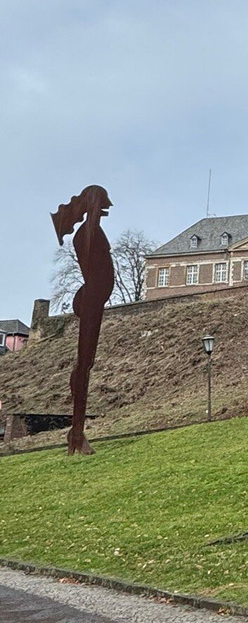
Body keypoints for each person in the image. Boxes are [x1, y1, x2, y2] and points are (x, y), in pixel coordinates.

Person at [51, 185, 114, 455]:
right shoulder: (87, 234)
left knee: (87, 361)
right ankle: (76, 432)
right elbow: (93, 268)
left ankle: (76, 431)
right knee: (84, 361)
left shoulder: (92, 232)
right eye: (101, 203)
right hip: (91, 302)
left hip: (94, 300)